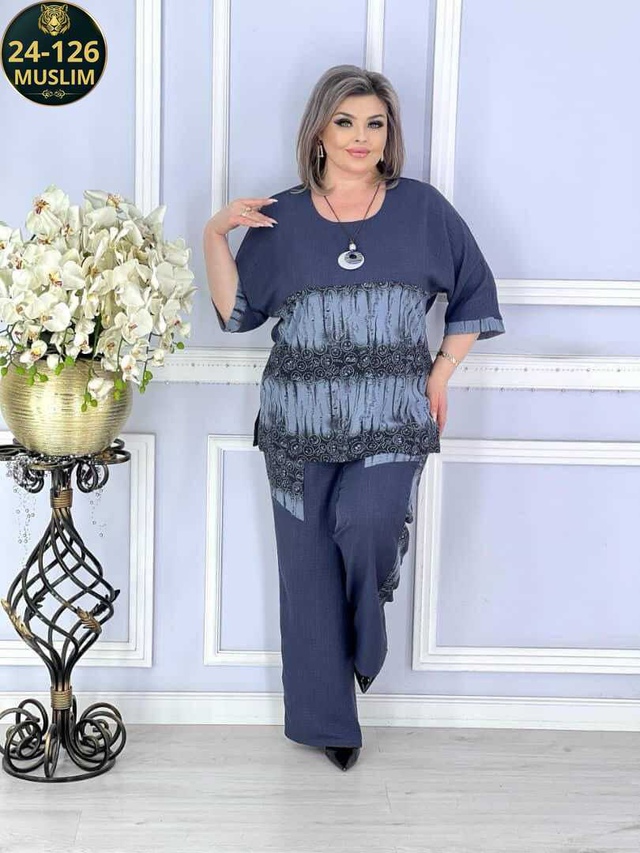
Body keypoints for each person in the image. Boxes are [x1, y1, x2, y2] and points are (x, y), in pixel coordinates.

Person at [202, 64, 505, 772]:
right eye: (345, 122)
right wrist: (215, 232)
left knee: (368, 522)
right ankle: (328, 724)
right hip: (296, 421)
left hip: (393, 412)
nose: (360, 137)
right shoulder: (281, 216)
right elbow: (236, 313)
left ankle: (366, 638)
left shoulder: (423, 209)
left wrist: (440, 373)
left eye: (375, 123)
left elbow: (474, 292)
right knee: (306, 570)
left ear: (389, 134)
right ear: (319, 131)